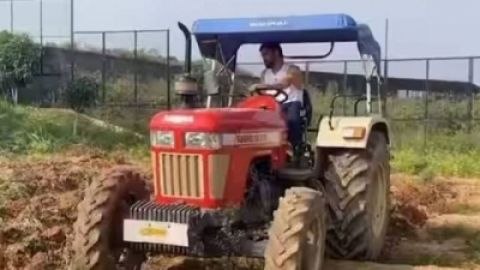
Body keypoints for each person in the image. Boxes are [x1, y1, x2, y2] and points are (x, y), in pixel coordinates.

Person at [251, 42, 305, 160]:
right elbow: (261, 92)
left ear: (276, 53)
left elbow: (285, 83)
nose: (264, 59)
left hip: (291, 104)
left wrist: (265, 86)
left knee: (291, 118)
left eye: (266, 54)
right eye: (262, 56)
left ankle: (297, 149)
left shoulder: (292, 70)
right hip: (272, 106)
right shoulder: (265, 73)